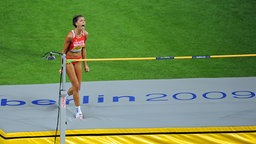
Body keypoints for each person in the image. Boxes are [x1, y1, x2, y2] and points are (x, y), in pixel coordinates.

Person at [61, 15, 89, 119]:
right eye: (81, 21)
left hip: (78, 60)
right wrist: (62, 67)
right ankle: (79, 111)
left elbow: (84, 49)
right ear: (76, 23)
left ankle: (64, 98)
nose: (84, 22)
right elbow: (63, 52)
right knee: (76, 86)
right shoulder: (70, 36)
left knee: (78, 87)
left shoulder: (85, 34)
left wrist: (85, 64)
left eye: (84, 20)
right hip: (68, 60)